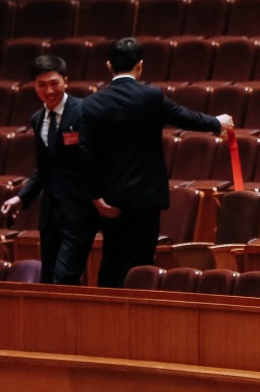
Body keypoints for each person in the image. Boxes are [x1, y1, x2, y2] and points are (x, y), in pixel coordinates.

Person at [80, 38, 232, 288]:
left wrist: (96, 196)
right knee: (139, 263)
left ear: (109, 66)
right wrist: (216, 123)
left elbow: (85, 154)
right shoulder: (149, 96)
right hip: (144, 196)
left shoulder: (91, 104)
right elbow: (183, 117)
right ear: (140, 66)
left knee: (112, 257)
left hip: (110, 198)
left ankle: (106, 316)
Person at [0, 55, 99, 285]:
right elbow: (43, 169)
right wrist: (21, 198)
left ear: (66, 81)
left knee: (63, 279)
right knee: (48, 281)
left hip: (80, 212)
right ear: (34, 86)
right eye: (41, 85)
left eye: (54, 83)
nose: (49, 90)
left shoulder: (84, 112)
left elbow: (96, 161)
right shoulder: (37, 119)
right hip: (51, 215)